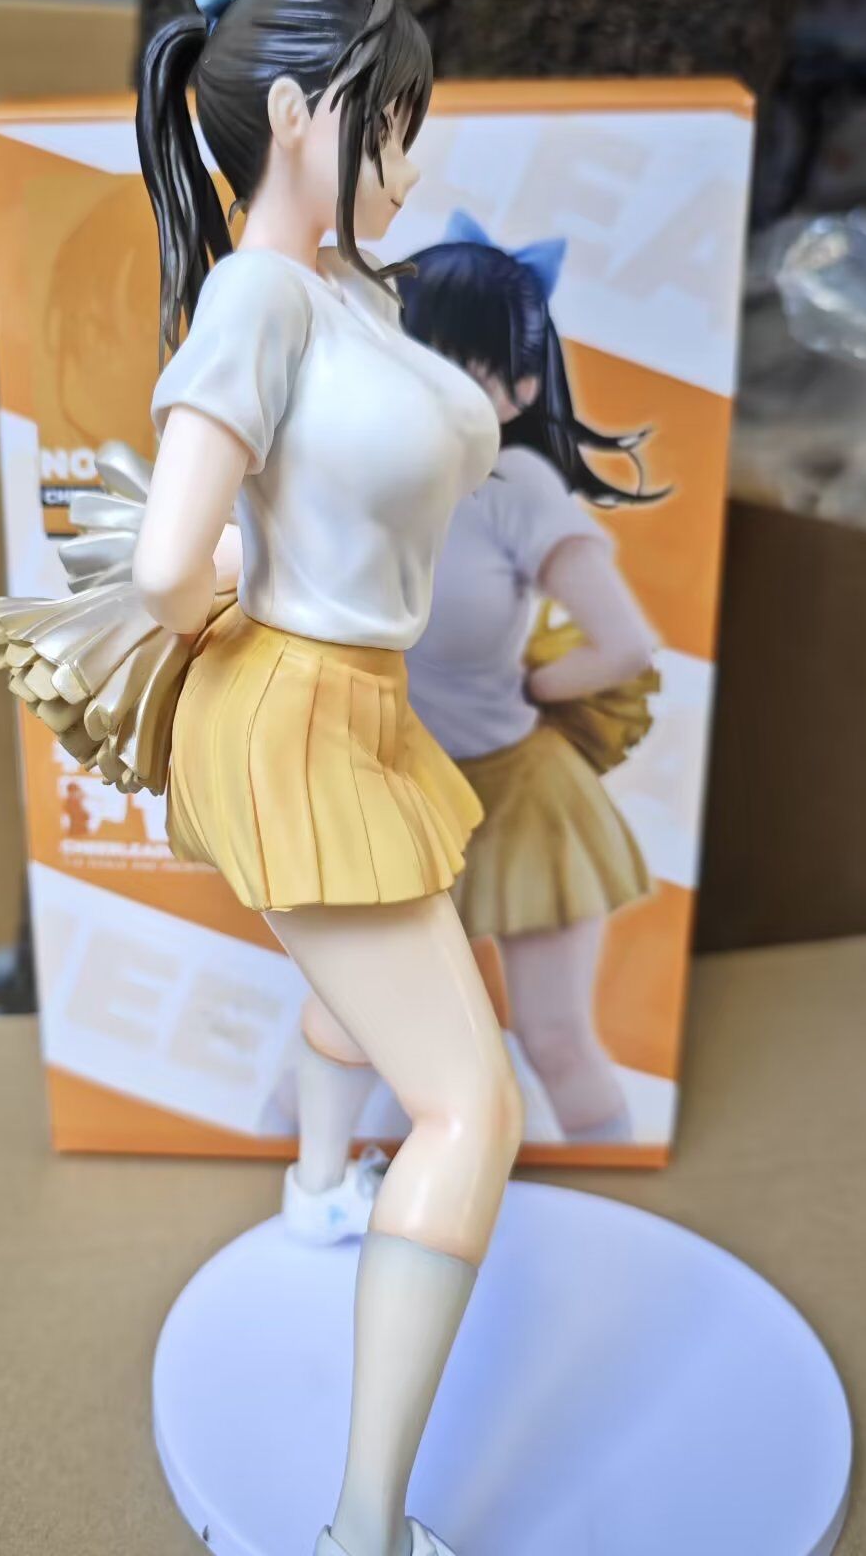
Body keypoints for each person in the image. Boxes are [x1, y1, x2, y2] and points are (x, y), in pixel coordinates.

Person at [0, 0, 520, 1556]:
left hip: (357, 698)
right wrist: (240, 604)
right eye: (389, 126)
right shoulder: (260, 301)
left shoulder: (346, 289)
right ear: (295, 115)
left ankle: (314, 1189)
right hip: (296, 707)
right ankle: (363, 1532)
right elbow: (170, 562)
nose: (408, 163)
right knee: (471, 1112)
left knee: (369, 968)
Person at [286, 217, 663, 1242]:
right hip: (393, 796)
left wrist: (537, 685)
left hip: (517, 799)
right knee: (344, 1024)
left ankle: (613, 1224)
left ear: (521, 388)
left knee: (554, 1039)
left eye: (470, 368)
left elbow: (626, 643)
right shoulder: (356, 471)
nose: (439, 387)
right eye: (420, 355)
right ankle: (311, 1190)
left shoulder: (516, 491)